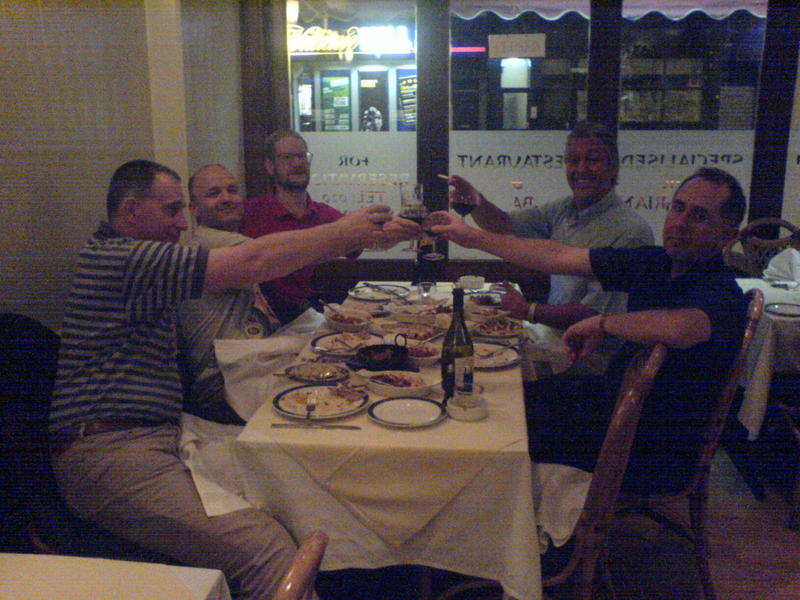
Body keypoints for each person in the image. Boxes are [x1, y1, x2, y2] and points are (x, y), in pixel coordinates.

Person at [49, 159, 418, 600]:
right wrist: (344, 232)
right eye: (172, 210)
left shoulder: (136, 257)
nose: (181, 223)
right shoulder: (122, 259)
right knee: (267, 550)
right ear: (130, 211)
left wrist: (350, 235)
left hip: (160, 434)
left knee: (294, 477)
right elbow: (254, 259)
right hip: (111, 454)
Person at [432, 166, 749, 493]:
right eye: (678, 207)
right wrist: (470, 237)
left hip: (651, 448)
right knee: (496, 399)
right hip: (610, 408)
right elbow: (558, 256)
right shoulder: (658, 263)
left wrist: (604, 322)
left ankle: (491, 511)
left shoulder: (721, 290)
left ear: (727, 236)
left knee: (494, 425)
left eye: (699, 216)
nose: (681, 222)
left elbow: (682, 327)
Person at [448, 121, 654, 372]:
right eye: (573, 160)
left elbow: (594, 314)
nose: (581, 169)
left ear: (614, 167)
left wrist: (529, 310)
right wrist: (477, 202)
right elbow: (503, 224)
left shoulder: (630, 231)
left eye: (592, 160)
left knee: (475, 367)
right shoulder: (564, 209)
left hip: (590, 359)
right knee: (465, 349)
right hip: (551, 338)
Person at [177, 164, 279, 425]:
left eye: (232, 190)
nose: (226, 198)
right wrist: (345, 233)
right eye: (214, 193)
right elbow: (272, 256)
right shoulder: (204, 243)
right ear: (194, 209)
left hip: (250, 370)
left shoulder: (227, 239)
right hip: (223, 388)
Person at [241, 129, 358, 323]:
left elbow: (359, 237)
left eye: (302, 156)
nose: (297, 163)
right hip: (258, 323)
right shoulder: (248, 212)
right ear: (270, 166)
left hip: (306, 318)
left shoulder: (323, 214)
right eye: (287, 157)